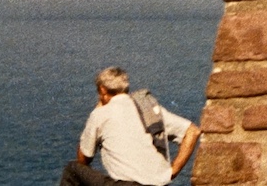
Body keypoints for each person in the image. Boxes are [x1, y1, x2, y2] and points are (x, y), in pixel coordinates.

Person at [59, 67, 201, 186]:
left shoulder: (100, 114)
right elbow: (193, 131)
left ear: (102, 90)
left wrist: (97, 108)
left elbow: (83, 158)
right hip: (159, 184)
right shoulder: (149, 110)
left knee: (72, 170)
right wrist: (173, 170)